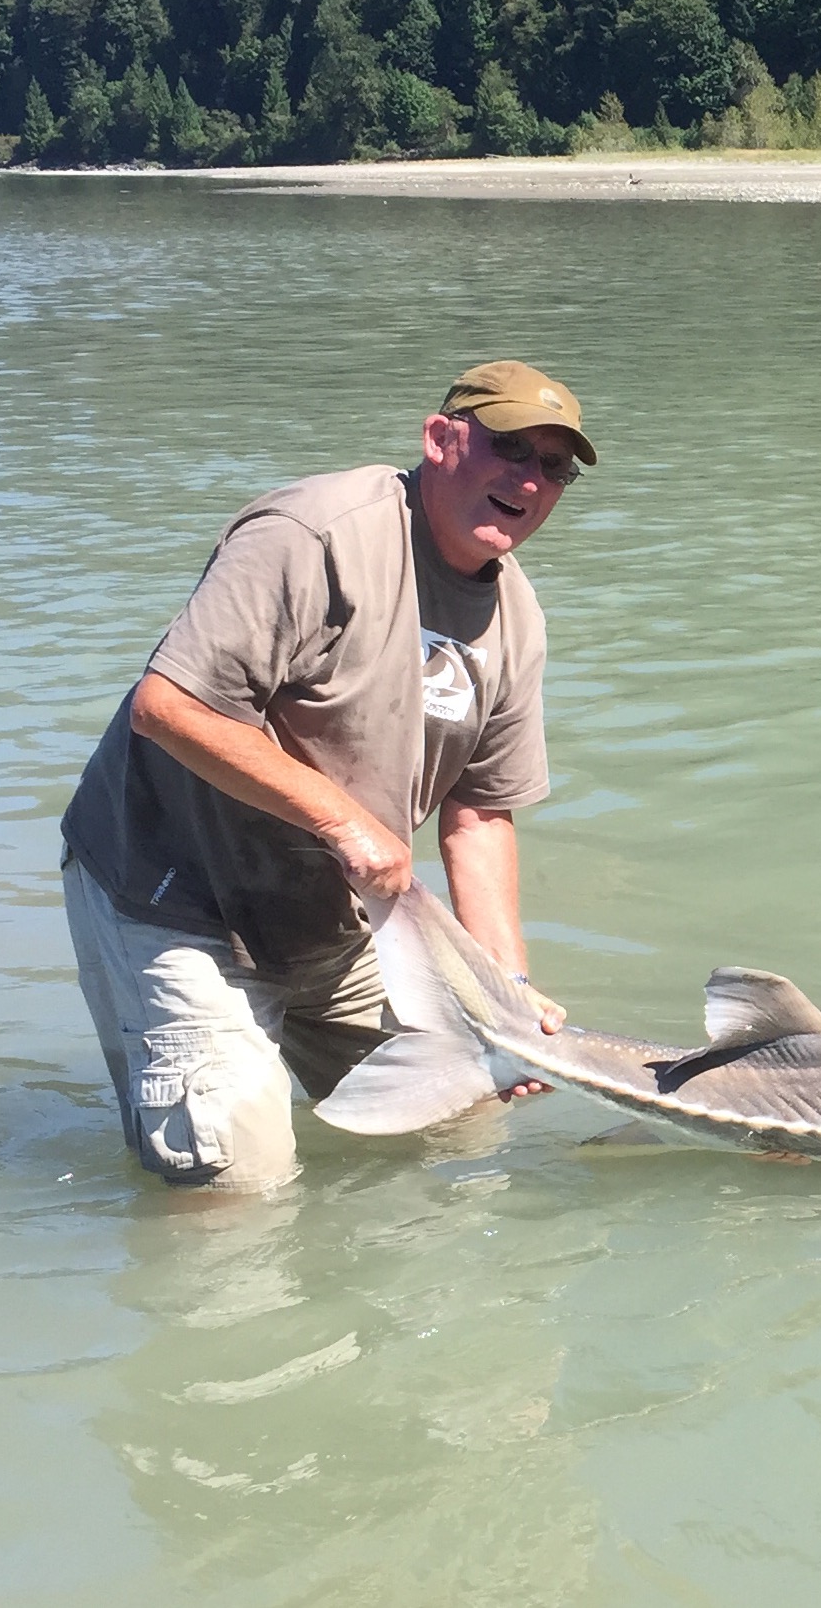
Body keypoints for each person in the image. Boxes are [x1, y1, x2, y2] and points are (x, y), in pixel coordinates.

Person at [57, 361, 594, 1191]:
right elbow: (168, 707)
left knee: (463, 1131)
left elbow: (480, 815)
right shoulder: (316, 536)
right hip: (179, 899)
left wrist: (508, 1001)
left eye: (553, 465)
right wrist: (343, 821)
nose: (529, 477)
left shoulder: (515, 617)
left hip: (334, 917)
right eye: (509, 446)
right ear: (441, 439)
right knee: (236, 1188)